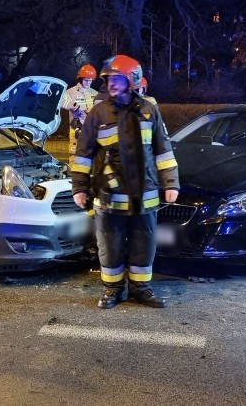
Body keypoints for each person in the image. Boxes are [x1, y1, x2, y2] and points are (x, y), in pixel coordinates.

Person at [70, 54, 180, 309]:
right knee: (110, 243)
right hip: (110, 193)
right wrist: (79, 187)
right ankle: (114, 289)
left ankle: (141, 288)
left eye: (117, 79)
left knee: (145, 241)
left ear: (131, 80)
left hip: (146, 192)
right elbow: (83, 153)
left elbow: (163, 149)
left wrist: (171, 183)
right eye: (108, 79)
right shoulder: (98, 113)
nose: (111, 84)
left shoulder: (149, 110)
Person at [60, 64, 98, 155]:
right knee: (75, 154)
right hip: (76, 129)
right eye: (86, 80)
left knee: (92, 155)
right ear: (80, 79)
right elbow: (60, 102)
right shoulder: (70, 92)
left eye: (90, 80)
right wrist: (76, 106)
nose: (88, 83)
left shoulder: (95, 93)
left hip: (92, 130)